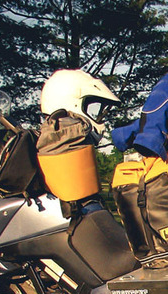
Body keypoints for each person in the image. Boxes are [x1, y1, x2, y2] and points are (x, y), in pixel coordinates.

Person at [36, 69, 121, 217]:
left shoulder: (43, 145)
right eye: (89, 108)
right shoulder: (80, 196)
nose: (98, 119)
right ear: (73, 104)